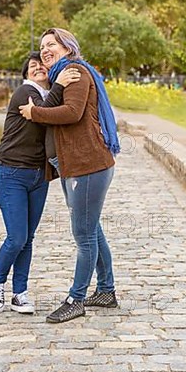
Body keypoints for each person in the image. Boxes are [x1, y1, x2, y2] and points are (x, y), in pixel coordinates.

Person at [19, 28, 120, 324]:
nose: (45, 49)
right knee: (93, 229)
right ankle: (105, 291)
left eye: (52, 44)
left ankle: (76, 299)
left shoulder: (74, 71)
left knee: (84, 235)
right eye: (42, 46)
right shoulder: (60, 76)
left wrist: (35, 112)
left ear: (67, 47)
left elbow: (72, 113)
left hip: (87, 165)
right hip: (73, 165)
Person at [0, 51, 80, 314]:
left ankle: (20, 294)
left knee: (28, 238)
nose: (38, 67)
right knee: (16, 237)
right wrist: (60, 83)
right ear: (26, 74)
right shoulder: (24, 93)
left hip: (38, 176)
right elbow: (44, 112)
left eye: (42, 64)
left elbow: (61, 113)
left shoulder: (51, 93)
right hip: (11, 173)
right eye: (32, 66)